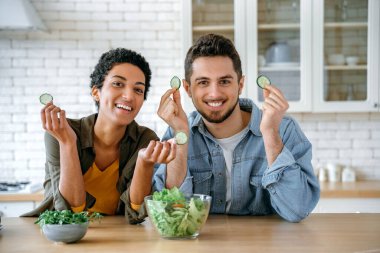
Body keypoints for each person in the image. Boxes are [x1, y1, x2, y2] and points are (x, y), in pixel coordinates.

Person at [154, 34, 320, 222]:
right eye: (203, 82)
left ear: (240, 85)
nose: (214, 93)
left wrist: (271, 134)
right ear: (187, 88)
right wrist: (181, 137)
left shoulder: (283, 130)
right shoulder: (177, 133)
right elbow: (172, 217)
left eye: (224, 81)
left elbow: (298, 210)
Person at [23, 48, 176, 224]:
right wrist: (68, 143)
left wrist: (144, 163)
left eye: (138, 90)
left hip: (118, 238)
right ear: (96, 92)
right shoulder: (61, 133)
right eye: (118, 84)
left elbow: (136, 214)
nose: (128, 96)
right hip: (62, 236)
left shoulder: (145, 139)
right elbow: (70, 212)